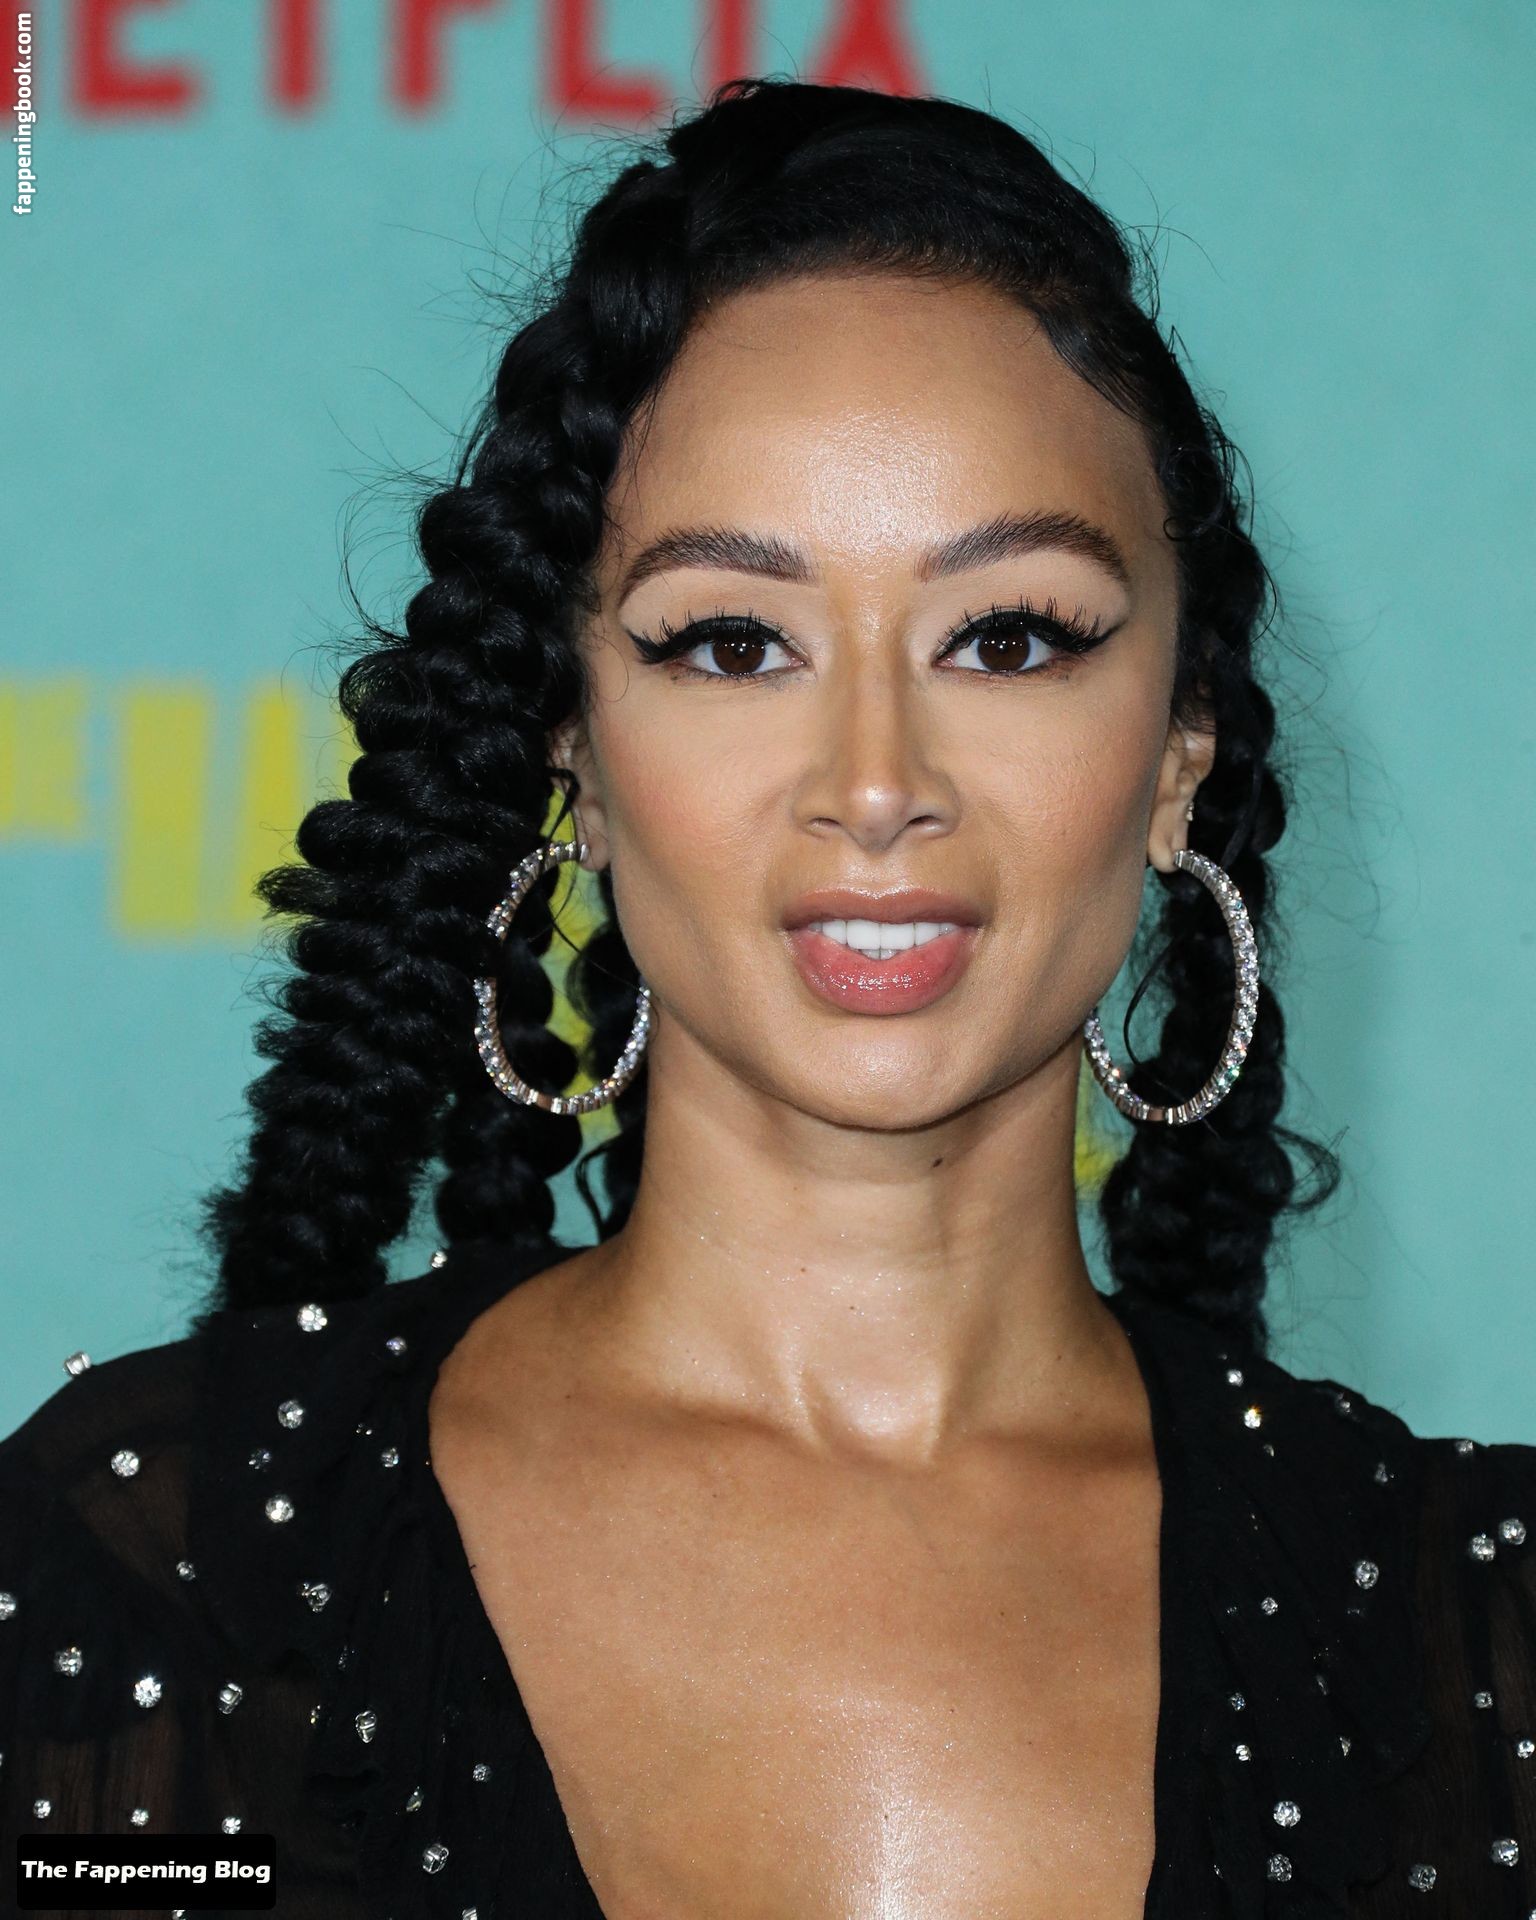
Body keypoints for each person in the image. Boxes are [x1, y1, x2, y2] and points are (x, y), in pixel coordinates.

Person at [2, 76, 1532, 1920]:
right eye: (733, 643)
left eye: (1009, 637)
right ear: (573, 755)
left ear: (1179, 753)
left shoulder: (1476, 1622)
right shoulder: (157, 1556)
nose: (875, 783)